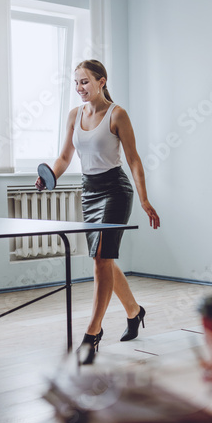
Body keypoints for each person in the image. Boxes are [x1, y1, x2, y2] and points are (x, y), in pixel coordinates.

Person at [36, 59, 160, 364]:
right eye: (76, 83)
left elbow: (133, 160)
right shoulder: (74, 115)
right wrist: (49, 174)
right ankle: (134, 311)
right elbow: (65, 157)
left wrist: (144, 200)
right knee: (102, 258)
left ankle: (92, 334)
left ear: (101, 81)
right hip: (89, 192)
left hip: (116, 191)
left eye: (85, 82)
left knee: (101, 259)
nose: (80, 88)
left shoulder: (117, 114)